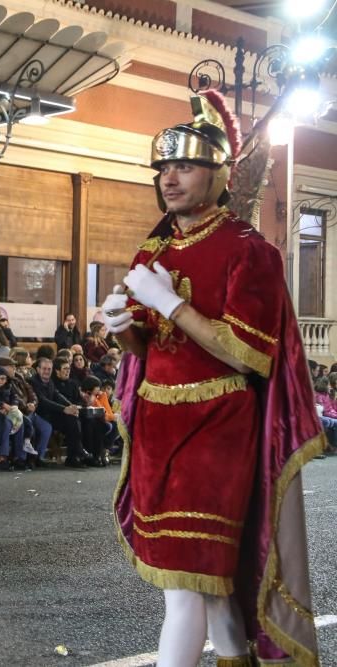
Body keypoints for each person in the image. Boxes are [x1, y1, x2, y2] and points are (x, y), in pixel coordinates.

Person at [101, 90, 322, 665]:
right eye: (163, 168)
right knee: (211, 583)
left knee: (188, 584)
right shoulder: (154, 250)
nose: (169, 179)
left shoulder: (250, 252)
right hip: (156, 428)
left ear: (219, 174)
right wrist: (123, 326)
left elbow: (251, 355)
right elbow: (146, 349)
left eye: (185, 166)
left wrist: (170, 305)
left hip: (218, 428)